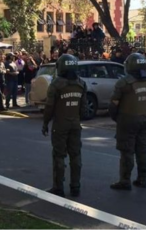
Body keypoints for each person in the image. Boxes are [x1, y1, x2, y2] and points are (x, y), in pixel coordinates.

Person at [42, 54, 87, 198]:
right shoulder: (81, 83)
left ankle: (58, 187)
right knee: (76, 156)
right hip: (75, 124)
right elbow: (84, 108)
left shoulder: (56, 84)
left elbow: (49, 106)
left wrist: (45, 123)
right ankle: (76, 186)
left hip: (60, 125)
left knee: (59, 156)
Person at [109, 53, 146, 191]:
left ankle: (125, 181)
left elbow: (114, 104)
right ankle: (143, 179)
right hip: (144, 119)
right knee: (142, 150)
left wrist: (117, 118)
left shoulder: (124, 83)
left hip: (127, 120)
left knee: (127, 152)